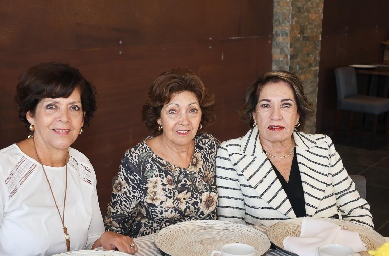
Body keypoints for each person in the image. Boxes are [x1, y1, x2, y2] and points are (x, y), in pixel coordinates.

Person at [0, 62, 138, 255]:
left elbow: (90, 239)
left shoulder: (81, 165)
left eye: (74, 107)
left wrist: (103, 239)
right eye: (51, 106)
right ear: (31, 115)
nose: (64, 117)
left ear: (83, 118)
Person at [216, 70, 373, 229]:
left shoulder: (323, 146)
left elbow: (356, 209)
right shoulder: (231, 154)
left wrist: (359, 247)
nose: (275, 116)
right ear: (254, 115)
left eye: (286, 105)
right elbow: (231, 228)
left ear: (298, 114)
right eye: (265, 105)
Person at [104, 68, 220, 238]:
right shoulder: (138, 159)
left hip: (206, 246)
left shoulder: (210, 147)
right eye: (173, 111)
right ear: (159, 118)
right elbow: (115, 227)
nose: (184, 120)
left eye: (192, 110)